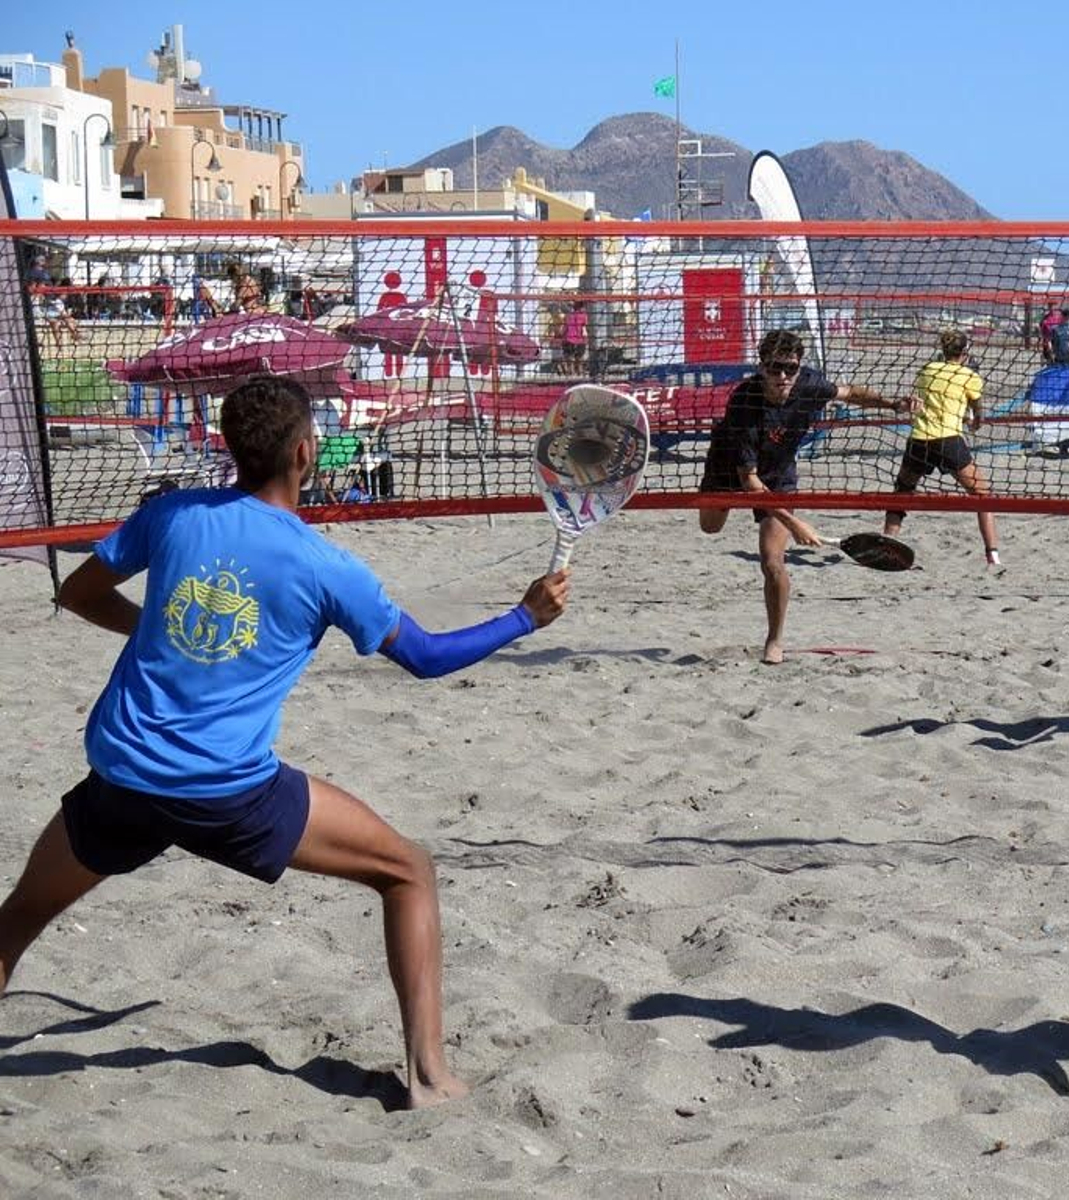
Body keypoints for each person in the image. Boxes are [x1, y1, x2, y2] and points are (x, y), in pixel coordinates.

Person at [0, 374, 570, 1109]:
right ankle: (430, 1079)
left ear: (229, 446)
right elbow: (427, 658)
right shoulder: (324, 565)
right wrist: (524, 618)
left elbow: (75, 594)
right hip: (227, 795)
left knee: (17, 920)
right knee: (408, 871)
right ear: (305, 452)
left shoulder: (171, 514)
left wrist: (156, 629)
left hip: (123, 777)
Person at [699, 329, 912, 665]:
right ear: (762, 367)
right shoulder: (743, 401)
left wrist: (893, 404)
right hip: (730, 466)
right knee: (710, 527)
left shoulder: (811, 385)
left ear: (799, 367)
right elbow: (749, 480)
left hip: (778, 471)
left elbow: (851, 393)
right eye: (775, 368)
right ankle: (745, 512)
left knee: (772, 562)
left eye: (790, 368)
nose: (783, 376)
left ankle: (774, 641)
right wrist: (796, 523)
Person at [884, 330, 1000, 567]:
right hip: (948, 440)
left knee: (902, 491)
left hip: (919, 440)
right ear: (964, 352)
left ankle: (886, 545)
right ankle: (993, 555)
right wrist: (974, 422)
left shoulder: (927, 370)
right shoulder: (969, 376)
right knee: (983, 496)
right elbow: (978, 413)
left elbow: (928, 402)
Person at [561, 300, 588, 374]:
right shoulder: (583, 315)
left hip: (569, 338)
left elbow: (564, 328)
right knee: (579, 356)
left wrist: (562, 335)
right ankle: (579, 370)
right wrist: (585, 338)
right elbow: (584, 328)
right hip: (580, 338)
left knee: (569, 356)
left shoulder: (568, 315)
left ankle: (571, 371)